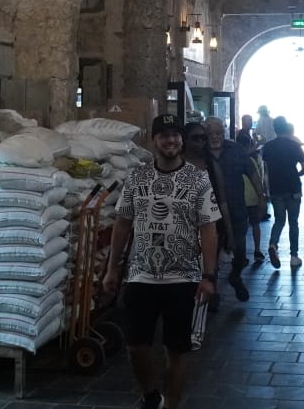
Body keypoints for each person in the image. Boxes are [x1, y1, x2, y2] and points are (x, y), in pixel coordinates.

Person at [105, 115, 221, 409]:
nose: (171, 140)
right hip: (141, 275)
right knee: (135, 347)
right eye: (164, 135)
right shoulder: (138, 177)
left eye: (175, 135)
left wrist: (209, 276)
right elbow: (122, 224)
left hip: (183, 278)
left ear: (181, 141)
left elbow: (209, 228)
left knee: (178, 350)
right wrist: (113, 267)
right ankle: (150, 393)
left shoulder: (197, 179)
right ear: (153, 140)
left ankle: (171, 404)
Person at [207, 120, 260, 302]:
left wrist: (261, 197)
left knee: (240, 252)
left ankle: (235, 276)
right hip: (208, 214)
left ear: (224, 133)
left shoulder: (236, 150)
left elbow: (252, 172)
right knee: (210, 255)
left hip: (236, 209)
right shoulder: (201, 153)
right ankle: (212, 292)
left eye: (218, 133)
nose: (215, 137)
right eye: (211, 133)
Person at [182, 120, 230, 311]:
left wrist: (229, 232)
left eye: (204, 138)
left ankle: (208, 294)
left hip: (209, 225)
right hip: (183, 227)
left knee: (209, 262)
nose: (202, 142)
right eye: (197, 138)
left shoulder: (211, 166)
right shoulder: (175, 165)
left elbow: (222, 201)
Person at [259, 116, 304, 269]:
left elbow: (265, 170)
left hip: (275, 188)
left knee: (279, 220)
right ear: (286, 128)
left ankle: (273, 244)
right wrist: (296, 175)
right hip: (293, 188)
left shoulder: (268, 147)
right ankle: (294, 256)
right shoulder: (294, 145)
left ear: (274, 128)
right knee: (293, 222)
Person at [235, 129, 268, 264]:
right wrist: (263, 195)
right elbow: (260, 178)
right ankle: (257, 250)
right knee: (255, 225)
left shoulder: (234, 160)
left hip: (240, 198)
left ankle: (240, 254)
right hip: (254, 197)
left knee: (241, 229)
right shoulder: (255, 160)